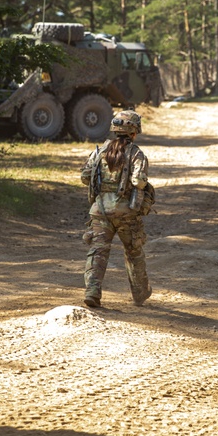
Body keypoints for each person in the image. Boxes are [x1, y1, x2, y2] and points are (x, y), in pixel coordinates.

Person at [80, 110, 152, 308]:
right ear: (134, 131)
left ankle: (92, 292)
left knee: (98, 251)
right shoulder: (136, 153)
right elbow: (138, 181)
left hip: (100, 210)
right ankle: (140, 294)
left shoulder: (100, 151)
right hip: (126, 211)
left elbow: (85, 177)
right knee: (133, 251)